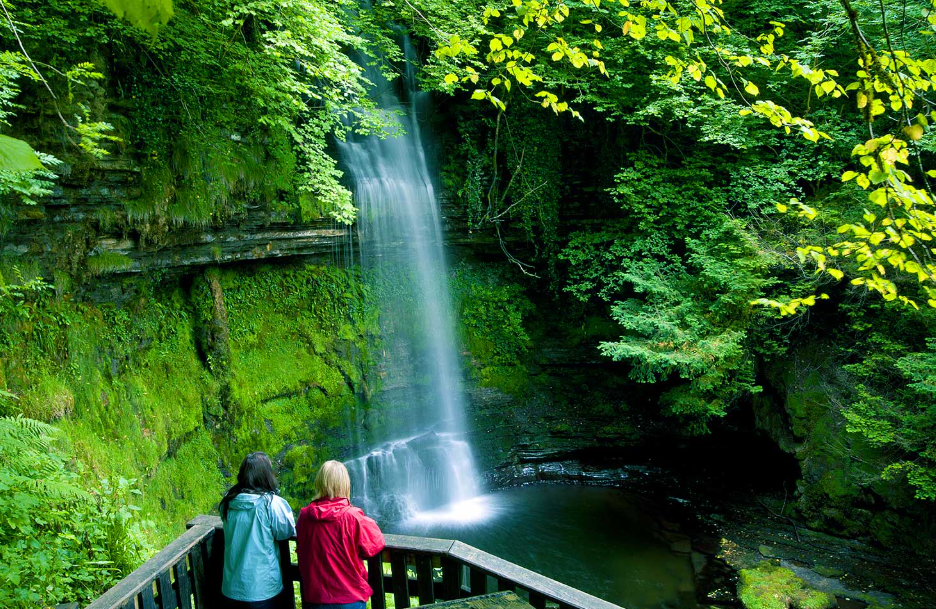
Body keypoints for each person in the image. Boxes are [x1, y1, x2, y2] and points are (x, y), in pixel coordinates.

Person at [296, 460, 385, 609]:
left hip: (315, 598)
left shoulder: (305, 516)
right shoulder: (353, 517)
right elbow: (375, 544)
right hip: (349, 598)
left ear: (319, 483)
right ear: (345, 484)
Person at [220, 452, 297, 609]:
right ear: (266, 475)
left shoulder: (228, 502)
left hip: (232, 587)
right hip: (263, 588)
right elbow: (286, 531)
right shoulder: (270, 503)